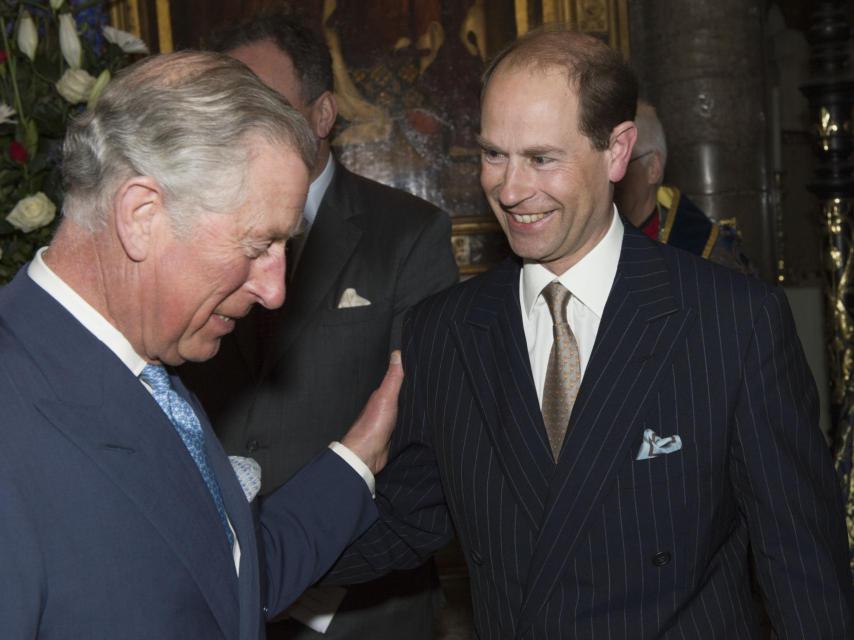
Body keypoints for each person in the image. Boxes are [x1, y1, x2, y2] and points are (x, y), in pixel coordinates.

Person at [327, 27, 854, 638]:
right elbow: (406, 520)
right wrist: (255, 558)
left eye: (541, 158)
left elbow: (802, 566)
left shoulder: (732, 321)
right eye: (493, 154)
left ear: (617, 151)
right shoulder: (444, 331)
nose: (510, 188)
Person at [0, 51, 404, 639]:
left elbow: (220, 581)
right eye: (257, 245)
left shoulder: (153, 375)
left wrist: (358, 458)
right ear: (141, 215)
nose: (274, 290)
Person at [180, 10, 457, 640]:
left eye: (265, 104)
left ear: (323, 114)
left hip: (362, 603)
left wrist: (309, 577)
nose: (244, 126)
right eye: (231, 107)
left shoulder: (408, 234)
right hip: (214, 596)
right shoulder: (191, 235)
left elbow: (425, 444)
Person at [614, 99, 754, 273]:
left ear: (653, 169)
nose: (611, 174)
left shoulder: (708, 256)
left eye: (624, 161)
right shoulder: (590, 240)